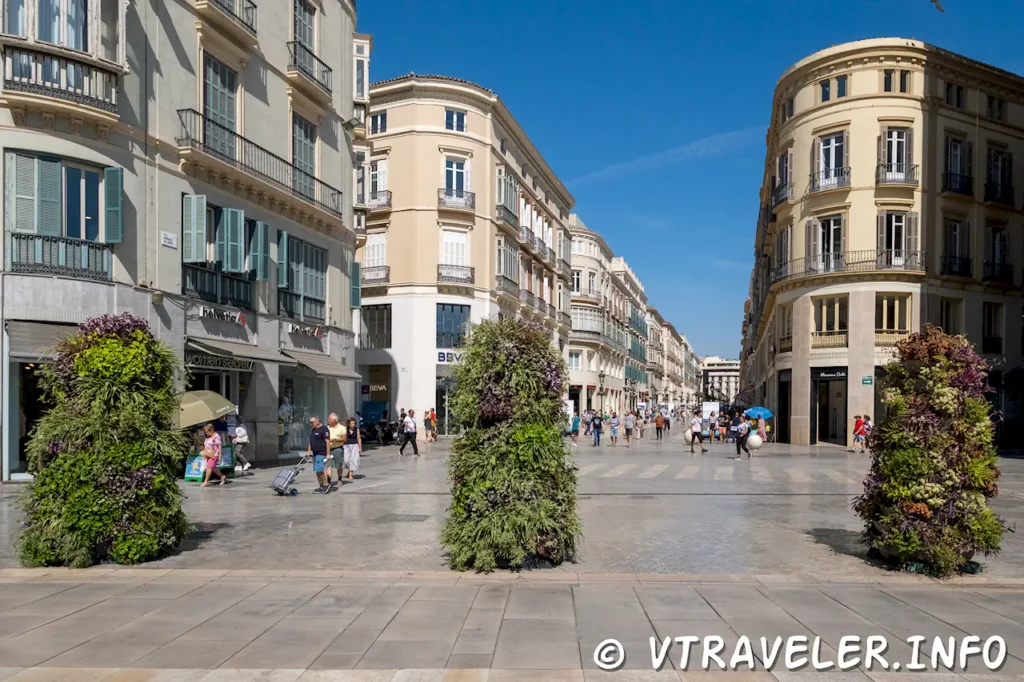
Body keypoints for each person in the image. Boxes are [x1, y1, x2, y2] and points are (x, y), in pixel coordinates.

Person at [307, 415, 332, 493]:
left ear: (317, 422)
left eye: (312, 422)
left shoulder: (324, 429)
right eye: (310, 422)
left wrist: (328, 454)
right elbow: (311, 442)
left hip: (321, 453)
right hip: (315, 453)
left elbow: (328, 442)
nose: (310, 424)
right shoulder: (313, 430)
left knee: (320, 470)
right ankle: (321, 486)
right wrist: (308, 451)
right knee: (317, 471)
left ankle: (326, 484)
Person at [200, 423, 227, 487]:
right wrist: (204, 454)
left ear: (211, 430)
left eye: (207, 432)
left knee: (209, 467)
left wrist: (220, 455)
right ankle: (222, 476)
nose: (206, 433)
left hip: (214, 454)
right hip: (208, 454)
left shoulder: (216, 436)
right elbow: (206, 446)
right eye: (205, 432)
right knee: (213, 467)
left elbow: (219, 445)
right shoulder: (208, 437)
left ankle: (206, 481)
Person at [327, 413, 344, 488]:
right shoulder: (327, 428)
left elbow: (344, 439)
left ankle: (339, 479)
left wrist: (335, 439)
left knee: (338, 465)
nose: (328, 420)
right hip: (329, 449)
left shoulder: (341, 428)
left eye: (329, 419)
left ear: (334, 420)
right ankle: (328, 481)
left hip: (338, 448)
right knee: (328, 465)